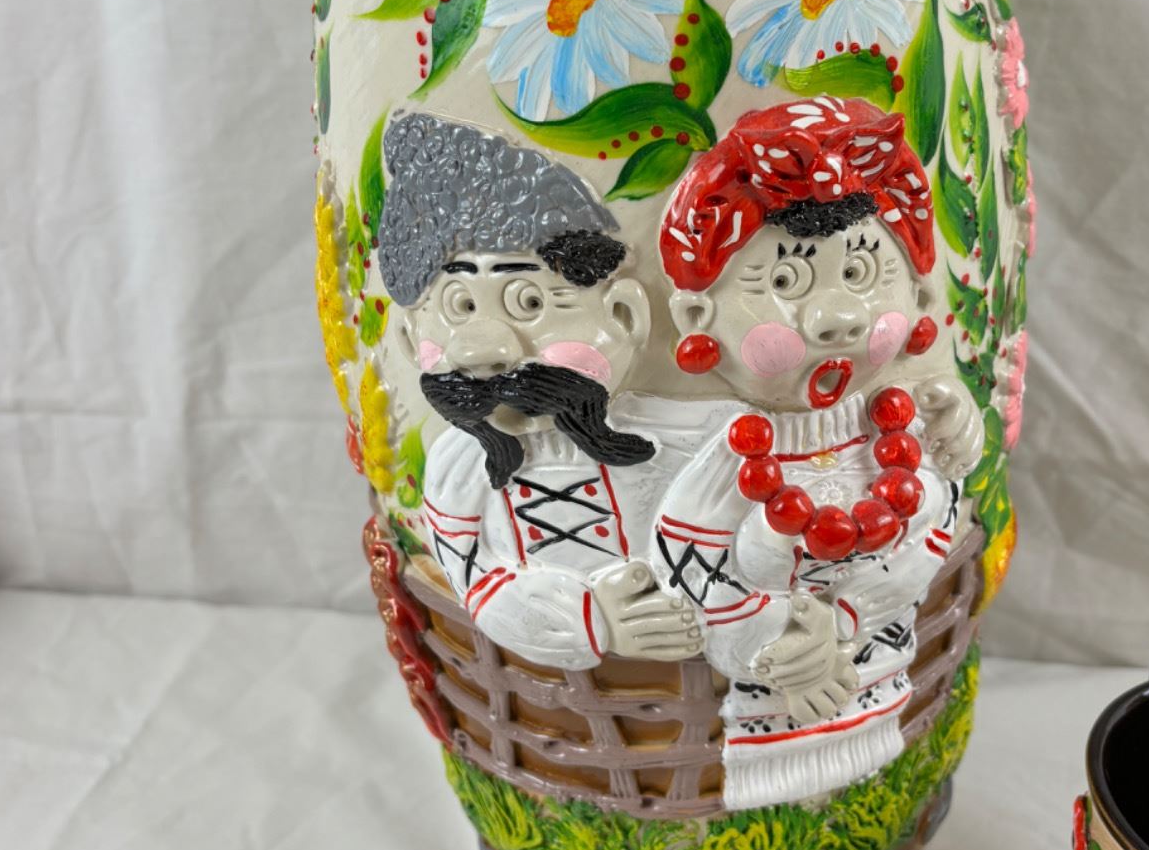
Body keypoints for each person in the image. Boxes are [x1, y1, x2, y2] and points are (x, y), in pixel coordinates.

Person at [652, 94, 985, 809]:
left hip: (889, 688)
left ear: (918, 291)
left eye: (861, 274)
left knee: (876, 802)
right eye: (783, 282)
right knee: (776, 833)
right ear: (697, 315)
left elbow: (933, 533)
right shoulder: (731, 464)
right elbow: (692, 581)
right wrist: (771, 648)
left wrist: (954, 442)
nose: (837, 317)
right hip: (774, 728)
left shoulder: (892, 432)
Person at [377, 113, 702, 670]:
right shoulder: (458, 471)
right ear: (410, 339)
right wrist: (589, 621)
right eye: (459, 306)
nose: (484, 350)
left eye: (530, 303)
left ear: (625, 316)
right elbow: (472, 578)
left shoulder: (690, 440)